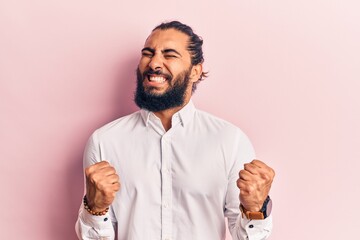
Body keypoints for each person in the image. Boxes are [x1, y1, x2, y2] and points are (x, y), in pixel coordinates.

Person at [75, 21, 275, 240]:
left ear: (195, 71)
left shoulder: (230, 141)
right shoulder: (105, 141)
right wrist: (95, 208)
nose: (154, 63)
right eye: (148, 53)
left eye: (169, 54)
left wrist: (255, 209)